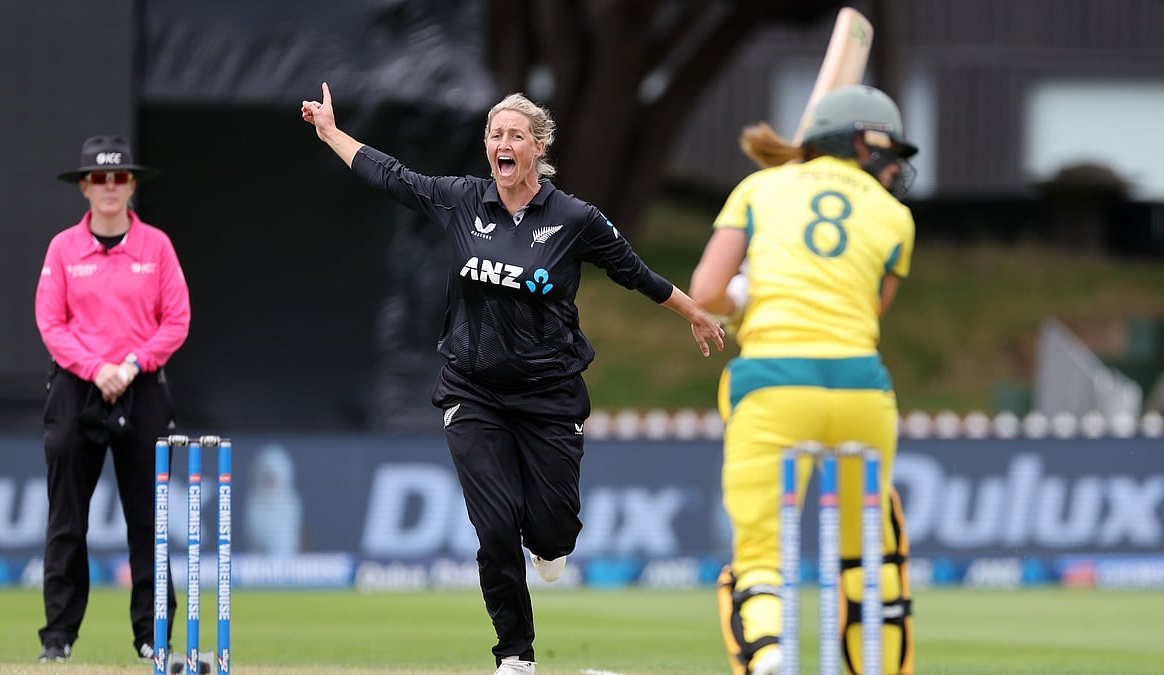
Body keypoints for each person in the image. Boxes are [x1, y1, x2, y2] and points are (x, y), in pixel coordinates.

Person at [301, 83, 724, 675]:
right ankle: (515, 654)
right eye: (496, 134)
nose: (504, 144)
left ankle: (549, 546)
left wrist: (692, 312)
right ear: (488, 146)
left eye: (516, 136)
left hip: (550, 394)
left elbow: (634, 271)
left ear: (538, 147)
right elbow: (392, 176)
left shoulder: (574, 218)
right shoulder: (461, 201)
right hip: (472, 389)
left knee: (552, 534)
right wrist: (330, 132)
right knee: (495, 526)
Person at [689, 85, 917, 675]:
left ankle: (769, 657)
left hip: (773, 386)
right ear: (861, 144)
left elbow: (707, 294)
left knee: (760, 557)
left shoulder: (760, 189)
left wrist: (744, 295)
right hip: (863, 392)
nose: (893, 168)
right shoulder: (895, 216)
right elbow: (868, 313)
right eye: (887, 152)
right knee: (868, 555)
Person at [35, 135, 192, 665]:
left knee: (147, 520)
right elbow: (51, 324)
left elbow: (177, 320)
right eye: (99, 178)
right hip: (77, 388)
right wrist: (95, 368)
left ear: (131, 186)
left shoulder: (157, 247)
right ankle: (57, 638)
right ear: (84, 186)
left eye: (119, 177)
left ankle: (153, 636)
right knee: (66, 521)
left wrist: (130, 365)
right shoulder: (62, 249)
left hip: (141, 387)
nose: (109, 187)